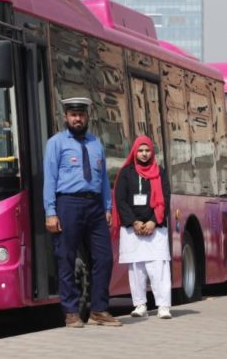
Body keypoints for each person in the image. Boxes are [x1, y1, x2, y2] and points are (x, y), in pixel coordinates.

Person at [43, 96, 121, 328]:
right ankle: (71, 312)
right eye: (73, 115)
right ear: (66, 117)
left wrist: (107, 207)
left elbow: (104, 179)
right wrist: (50, 211)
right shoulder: (56, 143)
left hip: (95, 205)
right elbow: (50, 179)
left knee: (104, 257)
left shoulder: (96, 143)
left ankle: (99, 309)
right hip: (68, 204)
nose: (78, 119)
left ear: (87, 116)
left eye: (81, 114)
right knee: (66, 258)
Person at [113, 136, 172, 319]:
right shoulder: (126, 173)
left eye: (147, 150)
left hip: (155, 228)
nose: (144, 154)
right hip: (133, 230)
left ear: (152, 152)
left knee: (158, 268)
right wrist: (134, 222)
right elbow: (120, 200)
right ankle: (140, 305)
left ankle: (163, 306)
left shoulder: (160, 172)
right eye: (140, 150)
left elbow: (165, 198)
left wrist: (154, 221)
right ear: (134, 152)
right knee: (137, 269)